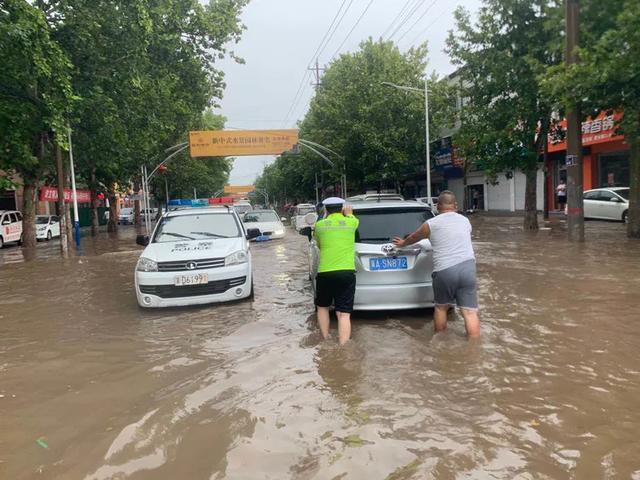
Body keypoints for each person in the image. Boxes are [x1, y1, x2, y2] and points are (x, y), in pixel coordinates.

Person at [393, 191, 480, 338]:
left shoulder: (431, 224)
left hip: (445, 270)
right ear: (456, 205)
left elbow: (414, 237)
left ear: (437, 205)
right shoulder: (465, 221)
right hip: (468, 268)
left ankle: (440, 341)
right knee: (470, 312)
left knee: (441, 308)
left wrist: (402, 244)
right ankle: (474, 348)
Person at [314, 197, 359, 345]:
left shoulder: (319, 225)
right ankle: (343, 345)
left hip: (325, 272)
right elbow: (353, 218)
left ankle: (325, 338)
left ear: (326, 210)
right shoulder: (352, 222)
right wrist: (349, 213)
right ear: (342, 209)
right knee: (344, 313)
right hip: (346, 272)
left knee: (322, 306)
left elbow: (319, 245)